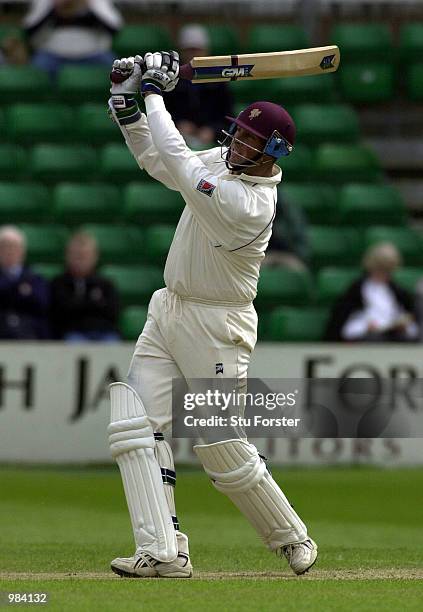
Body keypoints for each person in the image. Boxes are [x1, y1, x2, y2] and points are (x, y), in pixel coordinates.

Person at [106, 53, 317, 578]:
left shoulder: (251, 207)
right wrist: (127, 105)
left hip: (218, 327)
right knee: (134, 425)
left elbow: (178, 161)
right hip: (170, 309)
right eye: (238, 134)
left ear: (273, 154)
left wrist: (156, 92)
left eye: (249, 142)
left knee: (219, 446)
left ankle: (291, 537)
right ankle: (163, 552)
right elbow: (159, 160)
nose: (236, 146)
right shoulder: (225, 163)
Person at [325, 242, 419, 342]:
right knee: (375, 338)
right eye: (380, 270)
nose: (383, 275)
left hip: (393, 336)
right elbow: (341, 326)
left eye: (387, 271)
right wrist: (365, 327)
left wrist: (404, 325)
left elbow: (409, 318)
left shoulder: (397, 292)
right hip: (366, 338)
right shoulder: (356, 291)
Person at [165, 24, 234, 148]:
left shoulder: (219, 81)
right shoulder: (170, 80)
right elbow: (163, 112)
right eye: (189, 50)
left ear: (206, 51)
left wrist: (212, 130)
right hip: (176, 140)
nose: (194, 54)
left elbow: (228, 118)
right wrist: (177, 124)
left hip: (212, 142)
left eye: (197, 50)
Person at [23, 0, 122, 79]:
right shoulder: (46, 2)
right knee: (35, 72)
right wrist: (53, 7)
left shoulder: (97, 3)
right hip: (52, 55)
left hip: (93, 54)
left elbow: (114, 28)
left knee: (118, 71)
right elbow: (29, 29)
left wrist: (89, 6)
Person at [50, 232, 120, 341]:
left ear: (94, 257)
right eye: (76, 256)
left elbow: (113, 312)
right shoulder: (59, 283)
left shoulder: (105, 284)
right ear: (67, 256)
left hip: (104, 332)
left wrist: (79, 304)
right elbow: (60, 313)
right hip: (72, 333)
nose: (80, 261)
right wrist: (94, 303)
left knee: (112, 344)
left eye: (84, 256)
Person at [0, 226, 50, 340]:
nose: (9, 252)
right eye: (4, 247)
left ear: (22, 251)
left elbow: (41, 303)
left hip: (28, 334)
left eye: (13, 247)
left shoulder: (35, 278)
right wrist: (20, 292)